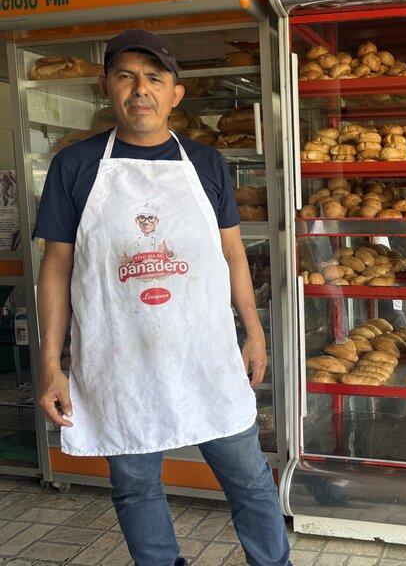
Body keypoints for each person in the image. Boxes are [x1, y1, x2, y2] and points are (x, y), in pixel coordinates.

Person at [34, 29, 291, 566]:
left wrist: (254, 330)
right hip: (118, 361)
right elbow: (56, 267)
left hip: (206, 356)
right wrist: (51, 364)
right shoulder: (74, 166)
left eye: (155, 78)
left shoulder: (206, 163)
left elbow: (234, 255)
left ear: (176, 94)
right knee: (135, 488)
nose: (140, 90)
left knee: (249, 480)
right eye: (126, 76)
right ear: (108, 87)